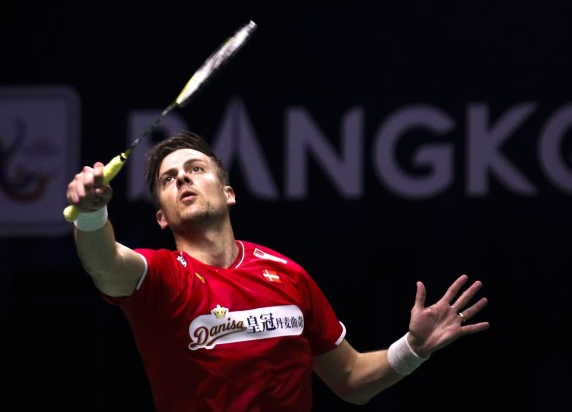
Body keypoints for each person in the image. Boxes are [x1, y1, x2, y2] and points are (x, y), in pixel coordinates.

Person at [65, 131, 489, 410]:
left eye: (195, 170)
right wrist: (90, 215)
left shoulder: (287, 274)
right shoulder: (159, 277)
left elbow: (351, 378)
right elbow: (105, 265)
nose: (183, 180)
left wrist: (412, 348)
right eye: (168, 179)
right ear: (162, 217)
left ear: (228, 193)